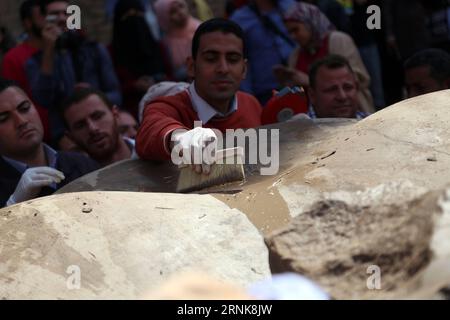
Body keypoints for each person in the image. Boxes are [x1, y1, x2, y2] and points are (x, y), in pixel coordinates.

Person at [136, 18, 262, 173]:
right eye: (211, 59)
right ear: (191, 66)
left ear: (244, 69)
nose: (223, 69)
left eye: (233, 59)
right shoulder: (166, 107)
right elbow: (152, 129)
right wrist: (181, 138)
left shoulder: (251, 104)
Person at [26, 0, 122, 145]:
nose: (62, 18)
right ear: (44, 20)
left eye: (67, 14)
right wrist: (49, 51)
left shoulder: (94, 50)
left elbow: (116, 95)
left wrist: (93, 95)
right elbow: (42, 98)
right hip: (66, 134)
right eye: (54, 14)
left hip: (102, 126)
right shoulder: (35, 61)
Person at [0, 78, 99, 208]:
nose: (21, 121)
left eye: (24, 108)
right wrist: (12, 206)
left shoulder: (81, 163)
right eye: (4, 118)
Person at [273, 1, 375, 114]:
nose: (293, 36)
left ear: (310, 23)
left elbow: (360, 79)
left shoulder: (338, 41)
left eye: (296, 30)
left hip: (350, 114)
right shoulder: (295, 55)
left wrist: (308, 81)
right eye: (289, 32)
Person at [1, 0, 51, 141]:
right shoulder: (14, 58)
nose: (50, 21)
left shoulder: (64, 50)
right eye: (43, 16)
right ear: (28, 23)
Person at [230, 0, 296, 104]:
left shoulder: (292, 7)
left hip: (298, 85)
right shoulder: (240, 19)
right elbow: (239, 59)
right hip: (265, 92)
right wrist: (248, 97)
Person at [112, 0, 169, 118]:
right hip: (132, 115)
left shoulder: (158, 47)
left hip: (166, 108)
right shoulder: (112, 52)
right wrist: (134, 85)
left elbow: (171, 77)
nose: (135, 20)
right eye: (128, 16)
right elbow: (113, 89)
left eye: (139, 15)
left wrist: (157, 83)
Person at [61, 88, 137, 167]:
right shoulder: (76, 177)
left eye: (97, 116)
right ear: (71, 137)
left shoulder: (149, 152)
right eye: (80, 125)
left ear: (115, 114)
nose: (93, 129)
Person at [307, 54, 369, 119]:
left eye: (348, 87)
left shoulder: (376, 125)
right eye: (331, 90)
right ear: (312, 95)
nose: (342, 96)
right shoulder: (299, 128)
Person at [154, 0, 201, 81]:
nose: (180, 12)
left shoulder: (200, 29)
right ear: (165, 17)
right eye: (173, 12)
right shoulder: (166, 42)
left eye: (181, 6)